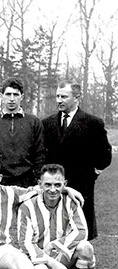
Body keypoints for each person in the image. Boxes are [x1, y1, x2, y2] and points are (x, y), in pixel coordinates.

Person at [17, 164, 105, 269]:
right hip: (38, 259)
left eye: (57, 185)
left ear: (65, 184)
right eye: (48, 185)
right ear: (40, 185)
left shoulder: (71, 202)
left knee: (86, 248)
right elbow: (25, 243)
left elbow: (82, 231)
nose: (53, 189)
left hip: (59, 254)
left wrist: (54, 245)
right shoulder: (27, 207)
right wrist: (50, 261)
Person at [42, 81, 112, 240]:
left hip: (82, 186)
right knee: (54, 227)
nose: (59, 100)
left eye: (64, 96)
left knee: (80, 228)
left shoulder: (93, 123)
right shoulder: (46, 123)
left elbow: (105, 155)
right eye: (57, 96)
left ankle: (81, 261)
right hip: (54, 186)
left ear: (77, 98)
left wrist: (92, 174)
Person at [0, 77, 45, 187]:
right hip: (1, 183)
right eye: (8, 94)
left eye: (16, 94)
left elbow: (40, 154)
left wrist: (37, 181)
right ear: (2, 96)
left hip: (28, 183)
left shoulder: (34, 122)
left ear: (21, 97)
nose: (12, 99)